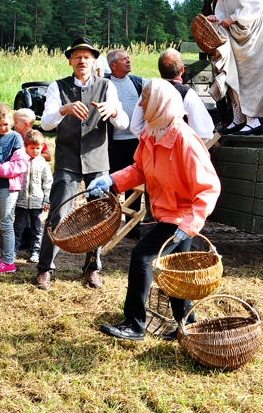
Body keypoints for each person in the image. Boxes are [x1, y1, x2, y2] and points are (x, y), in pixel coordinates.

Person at [87, 79, 220, 342]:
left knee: (142, 257)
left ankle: (135, 324)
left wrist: (189, 225)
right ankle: (187, 329)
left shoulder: (185, 139)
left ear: (160, 102)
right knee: (175, 272)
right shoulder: (152, 131)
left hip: (180, 218)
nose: (140, 102)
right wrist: (112, 180)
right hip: (168, 214)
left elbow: (208, 188)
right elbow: (139, 169)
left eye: (145, 97)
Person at [37, 36, 129, 291]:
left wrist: (113, 112)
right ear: (70, 61)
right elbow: (46, 124)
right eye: (77, 57)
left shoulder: (107, 86)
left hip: (98, 160)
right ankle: (45, 268)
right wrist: (63, 110)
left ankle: (92, 269)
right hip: (67, 159)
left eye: (87, 57)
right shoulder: (58, 87)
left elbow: (124, 123)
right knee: (58, 213)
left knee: (99, 217)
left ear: (94, 61)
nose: (82, 61)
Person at [200, 0, 263, 136]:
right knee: (231, 73)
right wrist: (216, 18)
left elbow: (255, 7)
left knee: (248, 77)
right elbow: (222, 12)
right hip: (239, 34)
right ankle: (239, 118)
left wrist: (231, 18)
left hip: (254, 35)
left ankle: (253, 121)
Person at [130, 49, 215, 143]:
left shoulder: (150, 91)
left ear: (159, 70)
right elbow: (203, 133)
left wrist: (152, 142)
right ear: (182, 69)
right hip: (180, 152)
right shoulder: (188, 94)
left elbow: (135, 126)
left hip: (154, 153)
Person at [0, 103, 29, 274]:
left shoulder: (16, 138)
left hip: (8, 187)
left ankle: (9, 261)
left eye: (6, 124)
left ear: (11, 120)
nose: (3, 128)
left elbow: (19, 165)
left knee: (6, 222)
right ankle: (3, 257)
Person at [106, 48, 144, 239]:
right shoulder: (104, 83)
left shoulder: (138, 82)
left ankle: (132, 224)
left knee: (134, 183)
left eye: (129, 58)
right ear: (113, 65)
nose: (128, 61)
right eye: (124, 59)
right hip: (112, 144)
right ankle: (109, 223)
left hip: (135, 142)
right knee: (112, 183)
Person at [13, 129, 52, 264]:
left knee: (37, 228)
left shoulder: (42, 164)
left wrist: (47, 199)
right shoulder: (20, 161)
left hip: (37, 202)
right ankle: (14, 249)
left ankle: (35, 250)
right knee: (18, 226)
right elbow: (15, 180)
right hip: (21, 201)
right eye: (32, 148)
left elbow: (48, 183)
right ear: (25, 147)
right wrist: (15, 197)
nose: (35, 151)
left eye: (38, 148)